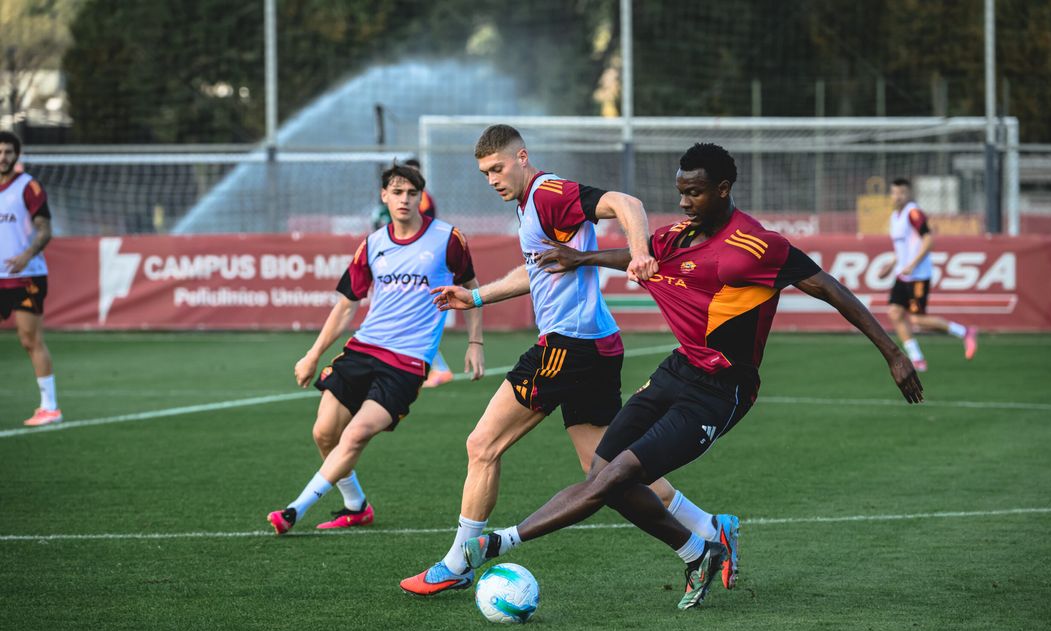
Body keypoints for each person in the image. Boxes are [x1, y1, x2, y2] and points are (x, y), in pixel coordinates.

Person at [461, 143, 925, 610]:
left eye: (695, 193)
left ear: (723, 190)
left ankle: (502, 542)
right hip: (678, 370)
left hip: (721, 390)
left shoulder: (754, 247)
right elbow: (637, 256)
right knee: (601, 474)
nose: (684, 203)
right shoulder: (678, 235)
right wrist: (580, 259)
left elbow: (829, 287)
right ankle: (699, 550)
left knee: (615, 477)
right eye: (681, 192)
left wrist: (893, 353)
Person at [399, 125, 729, 597]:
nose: (491, 179)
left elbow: (627, 204)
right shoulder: (529, 205)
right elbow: (535, 270)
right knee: (607, 473)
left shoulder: (549, 192)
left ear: (522, 157)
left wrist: (639, 254)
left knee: (482, 444)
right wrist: (474, 297)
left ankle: (458, 563)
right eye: (484, 173)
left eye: (497, 168)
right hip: (595, 346)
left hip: (567, 350)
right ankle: (708, 533)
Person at [267, 163, 484, 533]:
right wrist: (312, 354)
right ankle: (356, 506)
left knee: (354, 435)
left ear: (421, 198)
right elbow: (347, 305)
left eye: (412, 193)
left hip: (408, 363)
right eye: (397, 192)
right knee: (324, 434)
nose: (404, 200)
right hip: (363, 349)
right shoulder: (372, 245)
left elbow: (471, 288)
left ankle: (293, 511)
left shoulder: (448, 239)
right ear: (384, 196)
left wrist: (475, 342)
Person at [371, 157, 453, 388]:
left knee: (417, 322)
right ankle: (420, 366)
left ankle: (439, 368)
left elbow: (423, 228)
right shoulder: (385, 212)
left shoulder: (424, 201)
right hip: (400, 266)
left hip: (421, 267)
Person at [0, 130, 61, 427]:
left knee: (29, 339)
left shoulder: (28, 187)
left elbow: (45, 229)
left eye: (8, 152)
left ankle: (50, 407)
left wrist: (26, 255)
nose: (3, 157)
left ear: (16, 155)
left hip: (25, 276)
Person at [887, 177, 978, 372]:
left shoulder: (914, 212)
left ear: (909, 193)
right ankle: (917, 358)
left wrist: (912, 264)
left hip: (918, 275)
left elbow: (928, 241)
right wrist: (891, 264)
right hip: (902, 274)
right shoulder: (894, 217)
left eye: (901, 192)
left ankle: (965, 332)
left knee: (917, 319)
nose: (897, 196)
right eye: (894, 192)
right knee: (895, 313)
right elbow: (902, 248)